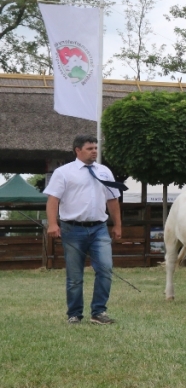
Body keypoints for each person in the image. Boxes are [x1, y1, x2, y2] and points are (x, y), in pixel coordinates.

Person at [44, 134, 124, 324]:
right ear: (77, 151)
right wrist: (53, 223)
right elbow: (52, 200)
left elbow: (112, 200)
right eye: (90, 148)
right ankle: (74, 314)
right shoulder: (63, 172)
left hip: (99, 228)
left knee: (105, 269)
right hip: (73, 229)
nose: (94, 151)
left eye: (96, 148)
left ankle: (98, 312)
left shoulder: (104, 171)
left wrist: (118, 225)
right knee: (74, 276)